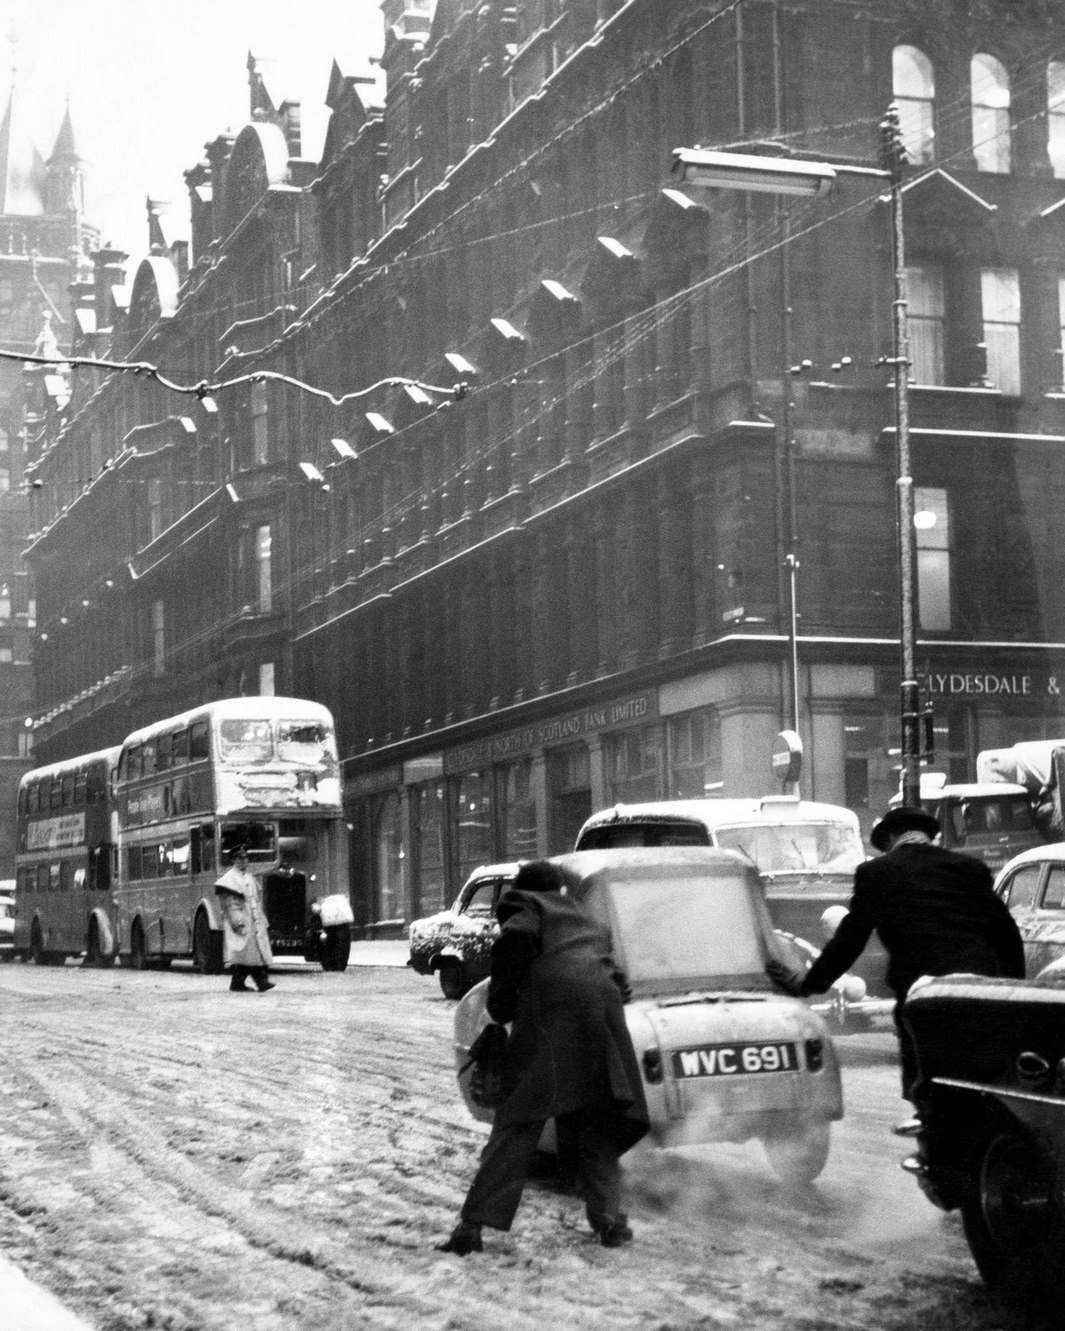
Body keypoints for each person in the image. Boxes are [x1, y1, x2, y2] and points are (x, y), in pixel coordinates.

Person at [437, 859, 649, 1256]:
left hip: (552, 1025)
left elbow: (508, 974)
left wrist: (502, 1008)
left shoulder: (524, 916)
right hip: (601, 1024)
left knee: (517, 1125)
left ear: (523, 890)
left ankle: (471, 1228)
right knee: (594, 1123)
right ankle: (610, 1223)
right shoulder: (589, 924)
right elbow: (617, 981)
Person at [788, 805, 1024, 1126]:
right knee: (988, 1080)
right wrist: (1012, 992)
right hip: (979, 991)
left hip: (923, 996)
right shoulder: (970, 868)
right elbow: (1006, 934)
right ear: (928, 835)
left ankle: (931, 1138)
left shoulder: (876, 874)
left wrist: (809, 984)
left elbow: (849, 941)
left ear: (890, 838)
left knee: (926, 1085)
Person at [214, 847, 275, 993]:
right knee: (245, 953)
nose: (244, 861)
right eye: (240, 858)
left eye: (245, 858)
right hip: (241, 921)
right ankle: (259, 982)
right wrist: (237, 922)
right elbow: (230, 904)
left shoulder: (249, 877)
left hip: (253, 920)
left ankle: (249, 982)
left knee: (251, 953)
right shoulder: (229, 880)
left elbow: (255, 900)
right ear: (234, 860)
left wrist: (262, 920)